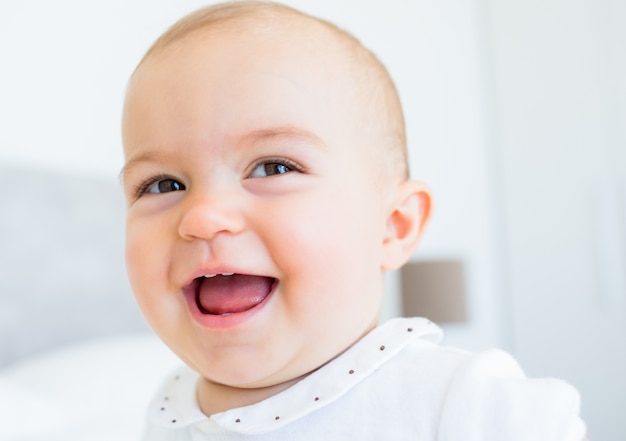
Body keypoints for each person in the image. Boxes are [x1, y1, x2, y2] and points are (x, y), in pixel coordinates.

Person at [120, 2, 587, 439]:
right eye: (162, 184)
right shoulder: (168, 410)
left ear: (393, 226)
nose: (202, 217)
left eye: (274, 167)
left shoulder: (463, 400)